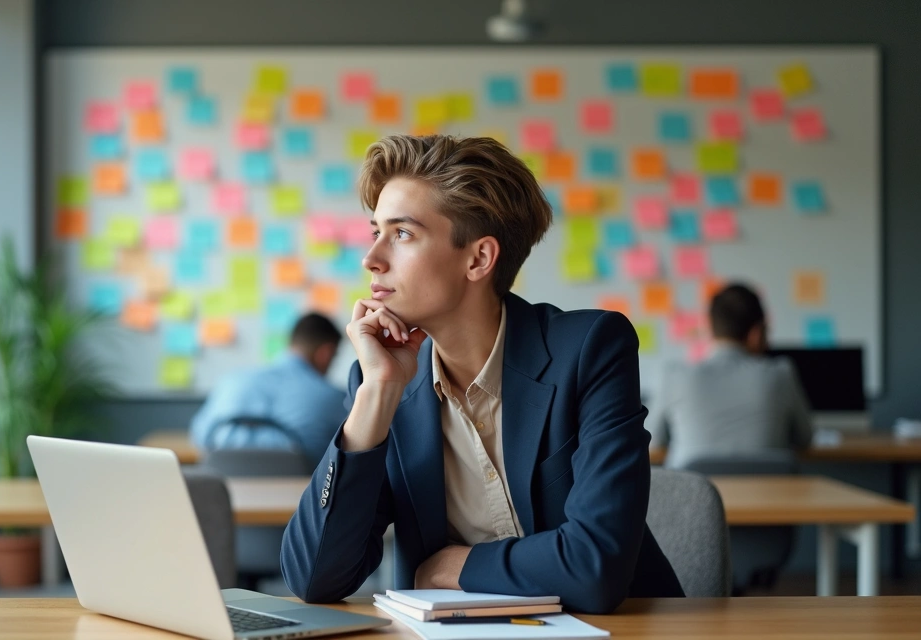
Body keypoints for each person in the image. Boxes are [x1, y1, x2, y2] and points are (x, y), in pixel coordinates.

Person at [280, 135, 683, 614]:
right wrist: (377, 394)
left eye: (402, 234)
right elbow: (314, 579)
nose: (372, 259)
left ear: (478, 259)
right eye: (375, 233)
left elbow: (595, 567)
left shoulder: (590, 349)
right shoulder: (383, 383)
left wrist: (453, 566)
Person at [647, 283, 813, 469]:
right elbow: (805, 438)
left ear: (711, 328)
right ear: (756, 333)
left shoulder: (674, 376)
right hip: (766, 487)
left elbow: (653, 440)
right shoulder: (781, 374)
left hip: (695, 487)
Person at [190, 313, 348, 466]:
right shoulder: (335, 398)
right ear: (325, 353)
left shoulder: (231, 382)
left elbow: (199, 436)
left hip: (227, 483)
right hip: (298, 484)